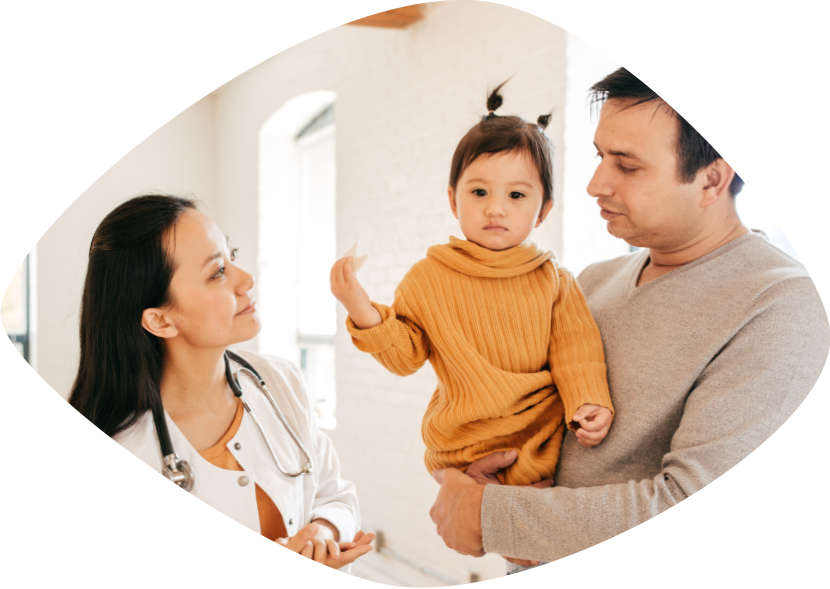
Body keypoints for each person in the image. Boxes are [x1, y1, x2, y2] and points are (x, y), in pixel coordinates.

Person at [428, 67, 830, 571]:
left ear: (711, 179)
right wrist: (464, 478)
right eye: (600, 156)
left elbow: (684, 498)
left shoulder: (779, 307)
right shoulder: (591, 282)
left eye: (627, 166)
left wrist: (489, 515)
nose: (596, 184)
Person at [330, 82, 615, 493]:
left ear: (543, 211)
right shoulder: (428, 278)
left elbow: (577, 351)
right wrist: (357, 304)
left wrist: (589, 400)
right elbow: (406, 356)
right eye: (479, 191)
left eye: (516, 195)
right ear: (453, 200)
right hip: (462, 444)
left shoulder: (553, 278)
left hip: (537, 435)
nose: (495, 207)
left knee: (534, 522)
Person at [68, 194, 374, 570]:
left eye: (233, 255)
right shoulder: (128, 442)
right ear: (161, 320)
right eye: (217, 272)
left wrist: (323, 533)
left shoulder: (279, 382)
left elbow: (334, 495)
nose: (247, 279)